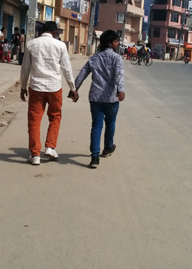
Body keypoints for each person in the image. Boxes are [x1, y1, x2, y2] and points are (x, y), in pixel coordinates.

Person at [20, 21, 78, 166]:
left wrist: (23, 87)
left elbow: (25, 67)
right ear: (54, 32)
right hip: (54, 88)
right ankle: (50, 147)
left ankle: (35, 155)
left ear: (42, 31)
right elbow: (66, 68)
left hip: (36, 88)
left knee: (34, 120)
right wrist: (73, 88)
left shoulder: (31, 44)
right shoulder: (60, 46)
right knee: (55, 117)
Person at [72, 30, 125, 169]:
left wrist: (74, 89)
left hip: (95, 97)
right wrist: (121, 90)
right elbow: (119, 75)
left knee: (96, 125)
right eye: (116, 41)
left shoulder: (94, 58)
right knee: (111, 122)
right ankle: (108, 148)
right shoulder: (117, 58)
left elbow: (82, 73)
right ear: (109, 43)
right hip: (111, 98)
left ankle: (94, 157)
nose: (118, 44)